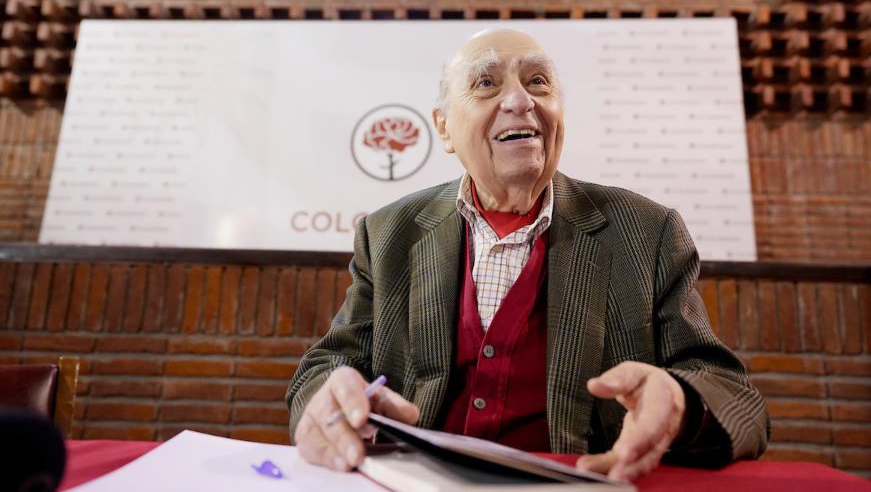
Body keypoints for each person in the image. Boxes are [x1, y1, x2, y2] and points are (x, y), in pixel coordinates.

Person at [286, 28, 768, 482]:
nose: (520, 100)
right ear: (445, 128)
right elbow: (328, 363)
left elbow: (736, 397)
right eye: (486, 84)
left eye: (538, 81)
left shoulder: (646, 232)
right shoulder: (390, 232)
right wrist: (329, 398)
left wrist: (681, 405)